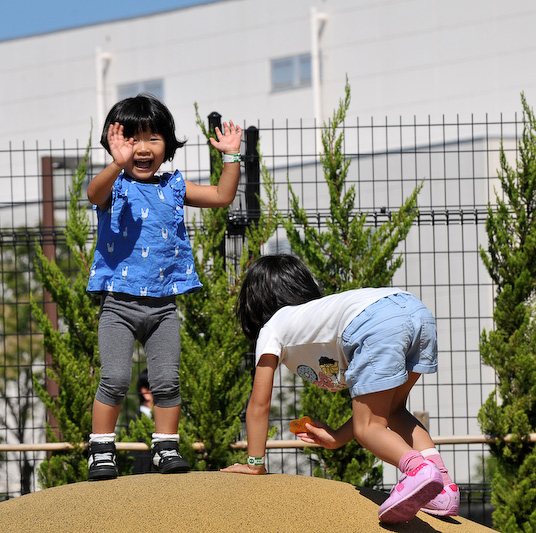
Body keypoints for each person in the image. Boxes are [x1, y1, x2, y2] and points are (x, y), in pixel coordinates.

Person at [221, 254, 460, 524]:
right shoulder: (320, 313)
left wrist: (255, 464)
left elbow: (259, 403)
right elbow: (373, 415)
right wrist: (337, 437)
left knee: (368, 428)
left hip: (376, 321)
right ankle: (445, 491)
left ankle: (418, 470)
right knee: (393, 411)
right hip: (416, 311)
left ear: (254, 303)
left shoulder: (273, 326)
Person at [86, 93, 243, 481]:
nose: (141, 148)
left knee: (167, 380)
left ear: (168, 146)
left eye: (153, 138)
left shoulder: (174, 187)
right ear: (114, 145)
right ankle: (102, 450)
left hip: (163, 307)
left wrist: (231, 157)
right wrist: (115, 165)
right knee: (116, 378)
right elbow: (93, 194)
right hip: (118, 306)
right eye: (131, 140)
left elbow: (223, 197)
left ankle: (166, 447)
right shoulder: (115, 186)